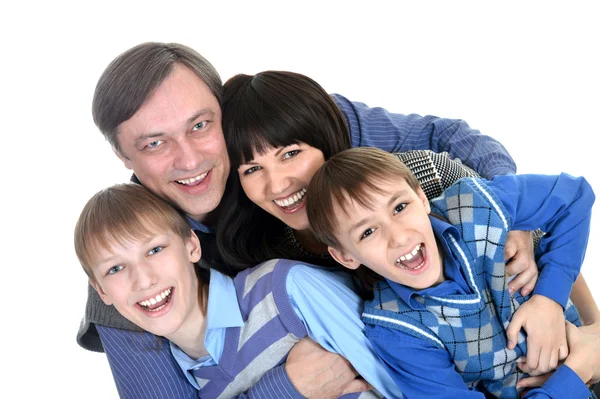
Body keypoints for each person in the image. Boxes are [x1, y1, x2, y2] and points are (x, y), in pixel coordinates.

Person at [79, 41, 550, 398]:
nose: (188, 159)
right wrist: (288, 387)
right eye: (154, 143)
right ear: (123, 155)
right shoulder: (130, 260)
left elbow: (447, 140)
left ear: (226, 113)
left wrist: (512, 219)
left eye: (200, 126)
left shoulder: (302, 129)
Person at [305, 147, 598, 398]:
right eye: (368, 232)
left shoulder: (475, 204)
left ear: (421, 198)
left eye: (400, 207)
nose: (399, 237)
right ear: (345, 256)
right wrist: (577, 371)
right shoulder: (399, 332)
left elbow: (574, 197)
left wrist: (549, 299)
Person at [74, 182, 403, 398]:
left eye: (155, 250)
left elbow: (405, 378)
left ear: (191, 246)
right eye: (115, 268)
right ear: (101, 292)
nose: (143, 279)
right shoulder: (197, 384)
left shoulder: (284, 291)